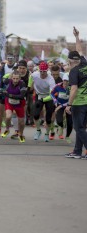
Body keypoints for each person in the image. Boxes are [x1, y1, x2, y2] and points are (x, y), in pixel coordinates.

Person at [65, 27, 87, 159]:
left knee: (78, 128)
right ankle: (77, 151)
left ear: (70, 61)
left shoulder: (74, 71)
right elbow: (80, 50)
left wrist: (69, 104)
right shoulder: (84, 63)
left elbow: (73, 89)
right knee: (82, 128)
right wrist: (77, 37)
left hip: (79, 103)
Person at [28, 61, 56, 142]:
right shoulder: (34, 74)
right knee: (36, 115)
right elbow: (30, 77)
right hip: (39, 95)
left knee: (48, 118)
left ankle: (47, 134)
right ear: (39, 70)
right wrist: (29, 86)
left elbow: (52, 95)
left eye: (44, 71)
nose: (42, 73)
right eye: (41, 71)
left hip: (48, 96)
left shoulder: (50, 79)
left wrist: (43, 99)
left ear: (47, 71)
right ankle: (38, 130)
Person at [0, 70, 27, 143]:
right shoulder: (7, 81)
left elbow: (21, 96)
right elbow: (1, 82)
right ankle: (7, 129)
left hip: (19, 104)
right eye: (14, 78)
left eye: (17, 78)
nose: (15, 80)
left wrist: (8, 95)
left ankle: (21, 134)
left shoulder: (22, 84)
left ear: (20, 78)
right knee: (8, 116)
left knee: (21, 122)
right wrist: (1, 90)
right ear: (11, 78)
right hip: (9, 102)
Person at [50, 74, 72, 143]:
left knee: (70, 123)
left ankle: (67, 136)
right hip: (59, 104)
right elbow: (51, 93)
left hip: (69, 106)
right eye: (65, 81)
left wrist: (62, 105)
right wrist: (55, 100)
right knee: (59, 121)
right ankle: (61, 126)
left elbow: (73, 99)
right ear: (63, 80)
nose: (66, 82)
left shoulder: (72, 87)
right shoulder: (58, 86)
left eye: (68, 81)